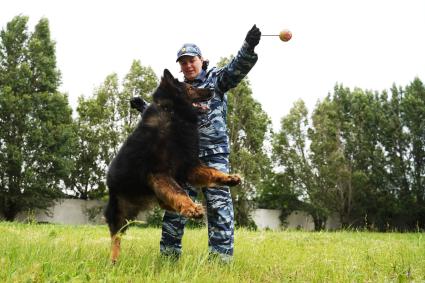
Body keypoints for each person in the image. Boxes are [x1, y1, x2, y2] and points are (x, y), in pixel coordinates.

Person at [159, 25, 261, 263]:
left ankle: (220, 262)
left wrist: (249, 46)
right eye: (183, 63)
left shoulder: (216, 80)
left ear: (201, 60)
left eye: (191, 60)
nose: (188, 66)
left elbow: (236, 69)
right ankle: (168, 258)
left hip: (215, 157)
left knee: (218, 208)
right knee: (176, 207)